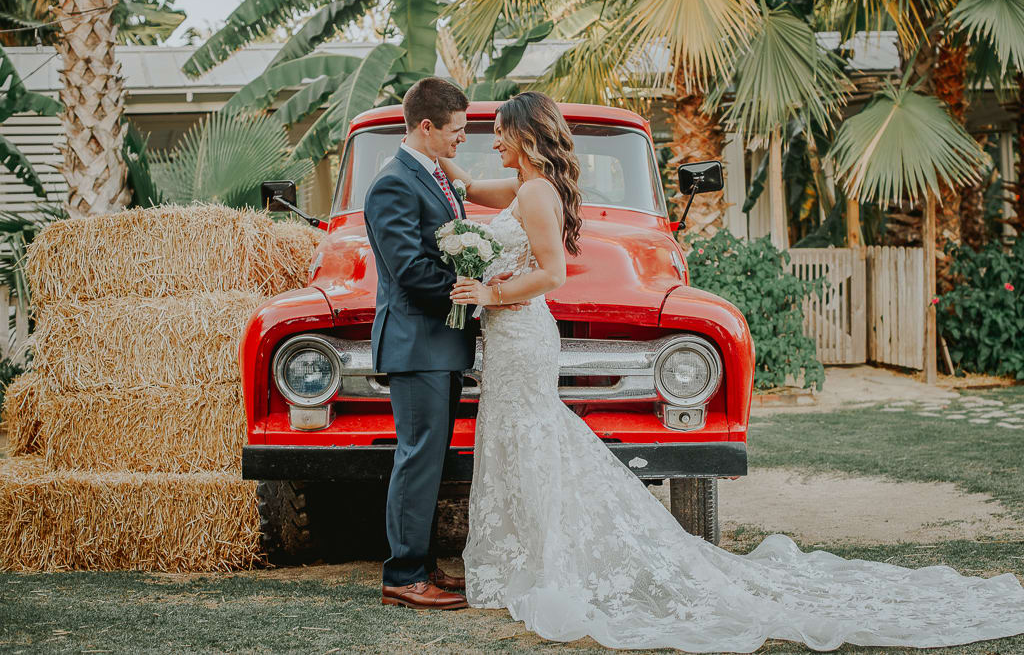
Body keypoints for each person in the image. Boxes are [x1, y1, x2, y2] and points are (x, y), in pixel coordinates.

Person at [444, 91, 1024, 651]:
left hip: (520, 334)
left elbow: (551, 276)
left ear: (526, 136)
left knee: (533, 439)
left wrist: (487, 290)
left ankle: (548, 564)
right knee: (520, 441)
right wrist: (442, 164)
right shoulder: (527, 187)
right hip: (512, 340)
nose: (491, 139)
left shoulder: (539, 193)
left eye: (499, 131)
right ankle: (528, 558)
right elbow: (479, 190)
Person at [363, 77, 478, 610]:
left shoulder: (431, 176)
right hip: (416, 343)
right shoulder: (393, 183)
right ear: (426, 126)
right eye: (456, 130)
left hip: (439, 342)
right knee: (416, 458)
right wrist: (472, 294)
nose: (462, 138)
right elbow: (408, 270)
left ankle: (424, 564)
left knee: (430, 457)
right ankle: (403, 575)